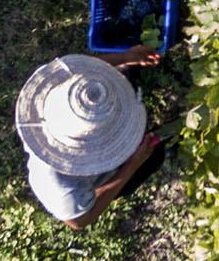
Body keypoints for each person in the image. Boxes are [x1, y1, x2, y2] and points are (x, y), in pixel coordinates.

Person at [14, 47, 165, 229]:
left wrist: (124, 57)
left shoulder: (55, 86)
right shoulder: (61, 188)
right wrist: (132, 165)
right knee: (155, 156)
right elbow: (79, 221)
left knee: (123, 80)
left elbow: (81, 71)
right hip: (105, 178)